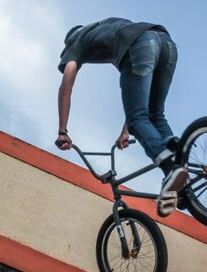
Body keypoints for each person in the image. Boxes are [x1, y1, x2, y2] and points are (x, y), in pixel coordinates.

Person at [55, 17, 187, 216]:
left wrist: (62, 131)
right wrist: (125, 131)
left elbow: (66, 85)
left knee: (137, 119)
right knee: (155, 114)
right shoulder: (109, 28)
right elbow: (140, 95)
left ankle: (170, 167)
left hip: (141, 44)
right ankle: (185, 187)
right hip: (166, 43)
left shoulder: (76, 40)